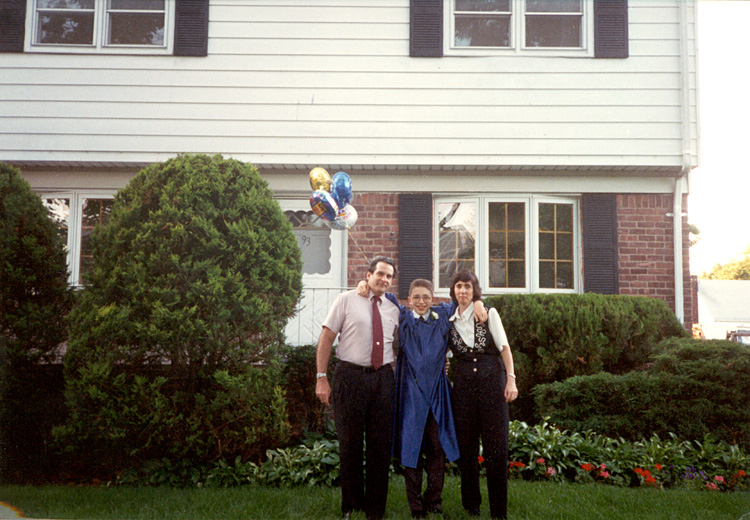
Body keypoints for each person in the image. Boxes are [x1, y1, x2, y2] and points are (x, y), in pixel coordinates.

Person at [356, 278, 486, 518]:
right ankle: (416, 507)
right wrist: (363, 284)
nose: (421, 301)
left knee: (437, 450)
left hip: (437, 394)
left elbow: (463, 299)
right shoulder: (403, 316)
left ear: (433, 298)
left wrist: (478, 301)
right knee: (411, 449)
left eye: (426, 296)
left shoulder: (443, 315)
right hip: (410, 396)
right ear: (408, 298)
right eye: (416, 297)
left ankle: (434, 502)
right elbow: (380, 291)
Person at [315, 256, 400, 520]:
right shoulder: (346, 300)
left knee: (380, 445)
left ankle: (375, 509)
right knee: (350, 443)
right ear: (368, 275)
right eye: (380, 274)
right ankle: (351, 506)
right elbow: (327, 337)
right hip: (350, 377)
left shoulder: (393, 309)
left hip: (383, 380)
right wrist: (321, 376)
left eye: (389, 276)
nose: (384, 280)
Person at [448, 270, 518, 520]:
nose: (463, 291)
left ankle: (499, 511)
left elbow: (505, 348)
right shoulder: (449, 320)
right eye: (458, 286)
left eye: (468, 286)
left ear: (474, 290)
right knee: (466, 449)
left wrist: (511, 379)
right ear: (453, 290)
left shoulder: (488, 313)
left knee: (496, 450)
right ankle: (472, 506)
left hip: (492, 386)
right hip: (464, 390)